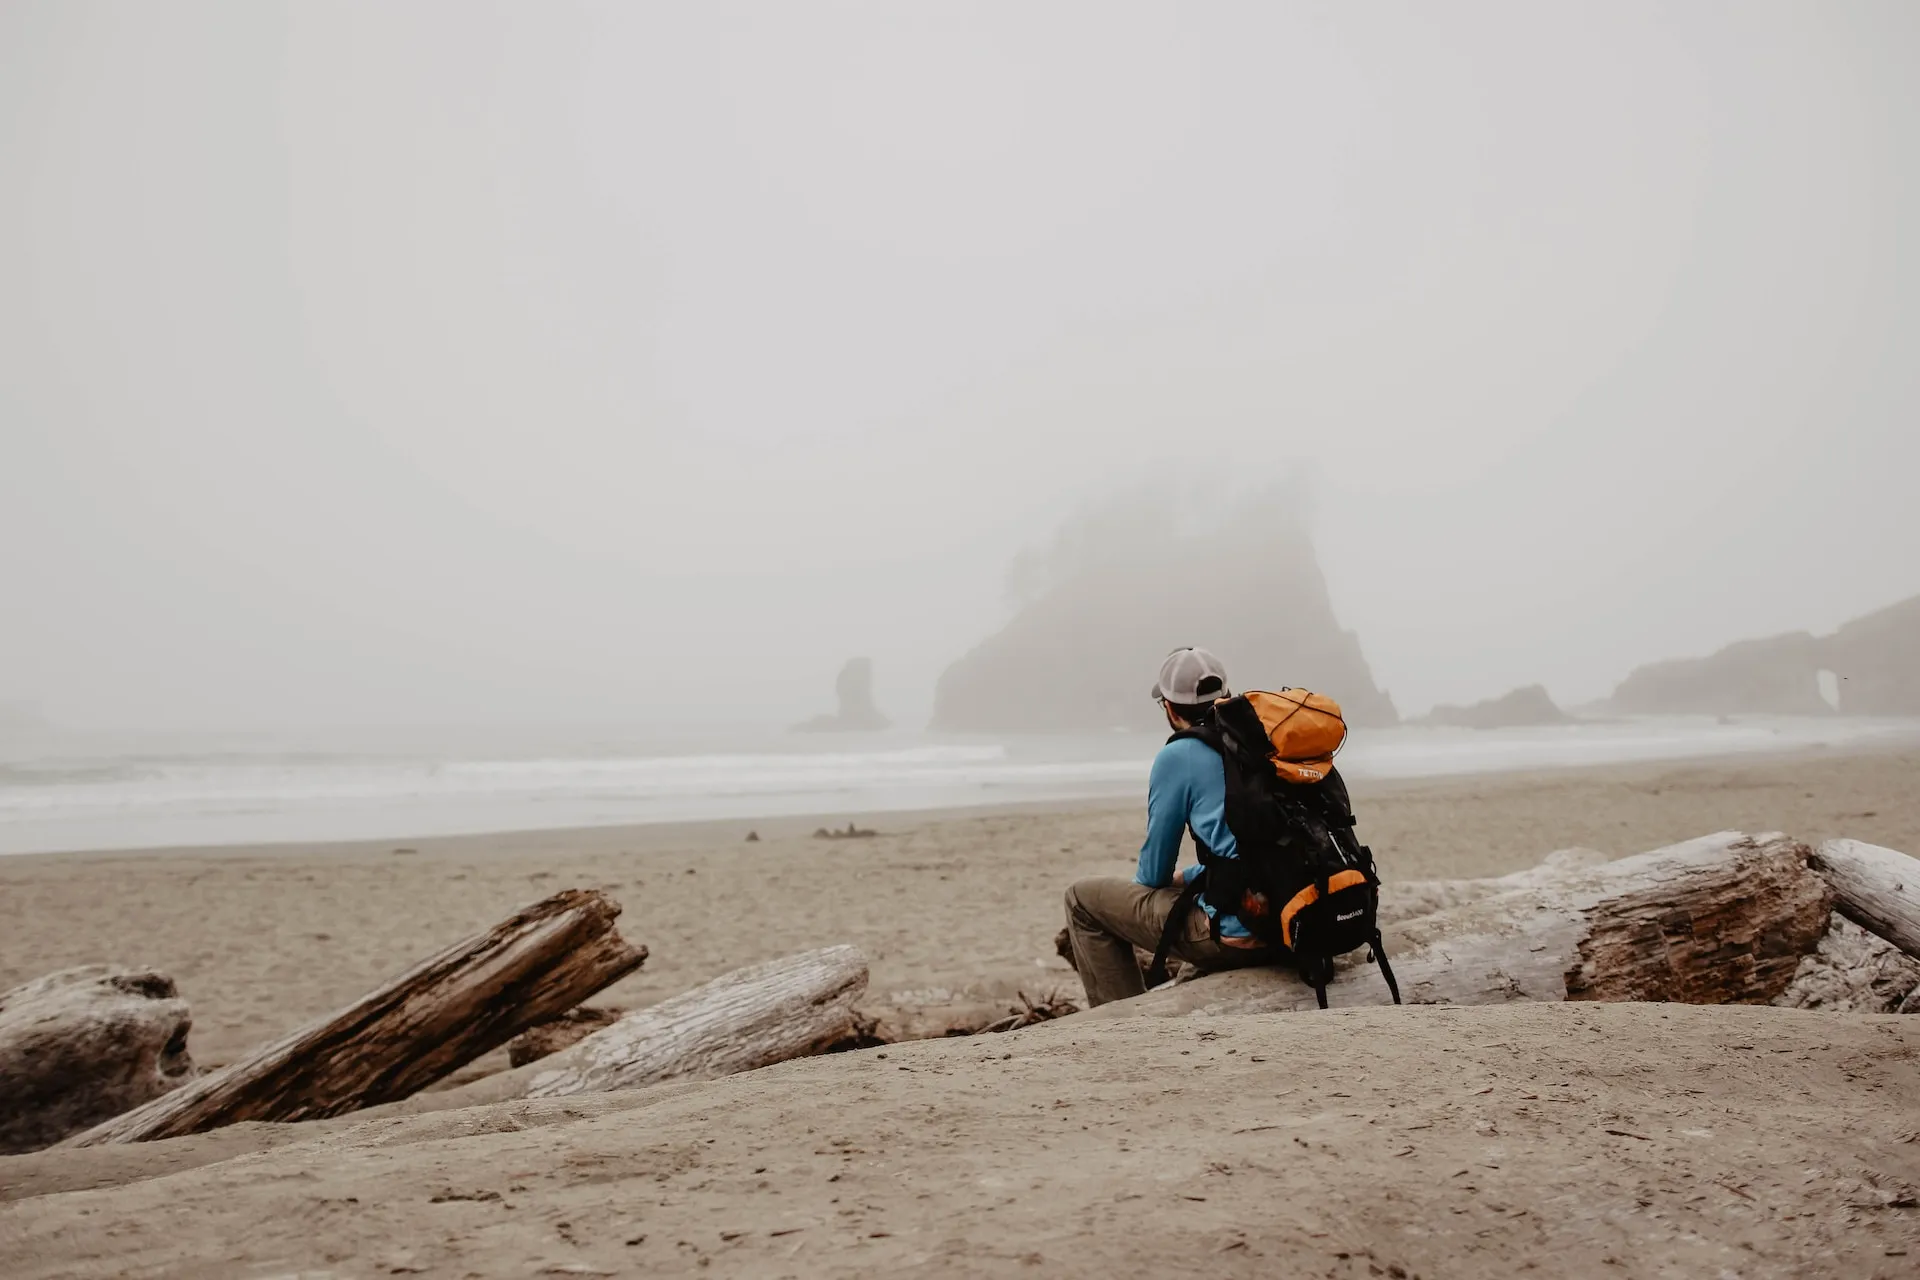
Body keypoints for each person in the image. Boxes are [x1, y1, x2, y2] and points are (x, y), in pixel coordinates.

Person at [1062, 647, 1275, 1006]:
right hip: (1297, 917)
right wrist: (1191, 876)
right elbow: (1256, 850)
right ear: (1225, 697)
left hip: (1245, 933)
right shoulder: (1263, 741)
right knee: (1186, 894)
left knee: (1081, 900)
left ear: (1170, 709)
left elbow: (1152, 874)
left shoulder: (1178, 756)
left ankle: (1121, 1022)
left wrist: (1171, 881)